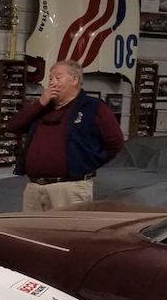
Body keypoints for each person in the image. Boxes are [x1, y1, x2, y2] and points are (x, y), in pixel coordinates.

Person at [7, 59, 123, 211]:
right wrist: (40, 102)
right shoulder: (42, 108)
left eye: (58, 77)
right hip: (35, 187)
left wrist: (88, 162)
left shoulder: (93, 107)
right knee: (30, 233)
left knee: (68, 232)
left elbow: (116, 142)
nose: (52, 83)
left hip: (70, 187)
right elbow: (13, 126)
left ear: (74, 80)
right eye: (50, 78)